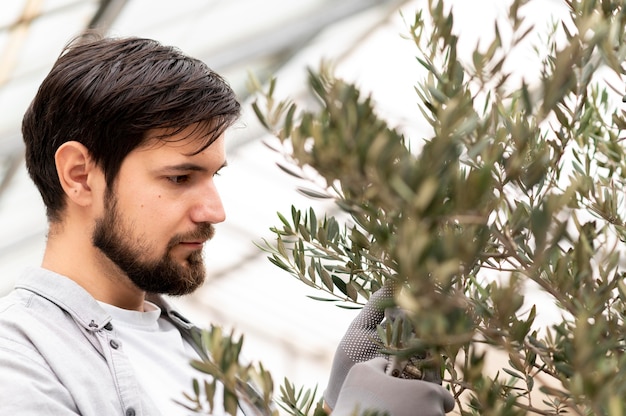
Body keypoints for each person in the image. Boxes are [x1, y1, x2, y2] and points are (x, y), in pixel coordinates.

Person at [0, 33, 455, 416]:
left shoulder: (196, 351)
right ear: (80, 175)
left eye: (212, 176)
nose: (214, 212)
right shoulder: (20, 361)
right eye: (180, 177)